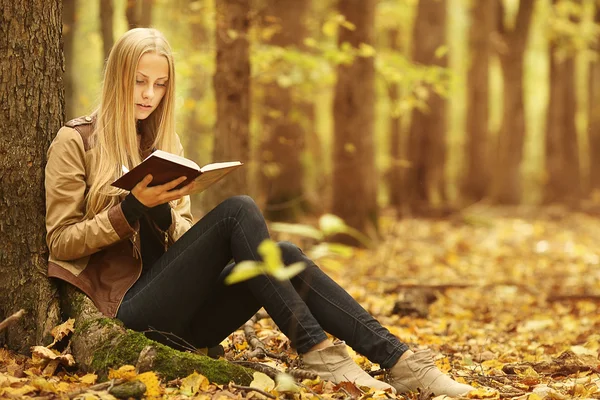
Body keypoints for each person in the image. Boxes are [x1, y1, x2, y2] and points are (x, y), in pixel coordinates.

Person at [45, 28, 474, 397]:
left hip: (191, 322)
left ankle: (401, 362)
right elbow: (60, 241)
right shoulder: (76, 141)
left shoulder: (164, 142)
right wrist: (132, 207)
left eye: (159, 84)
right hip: (129, 313)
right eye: (139, 81)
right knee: (237, 211)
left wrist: (161, 214)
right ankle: (316, 351)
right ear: (117, 78)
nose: (149, 94)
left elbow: (180, 237)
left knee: (284, 255)